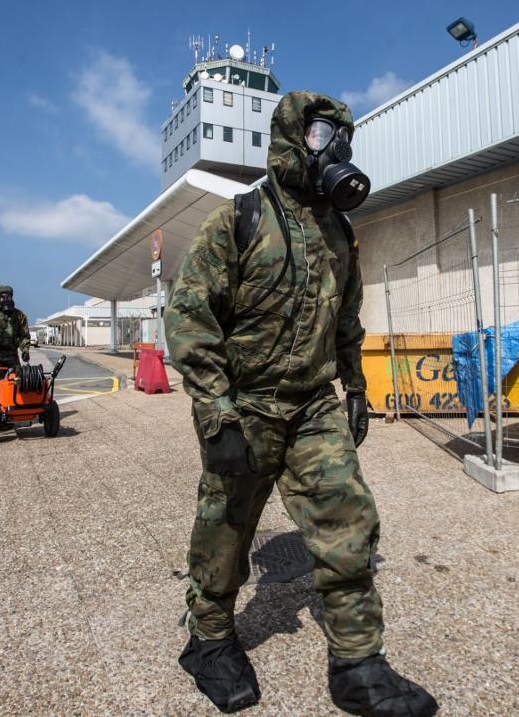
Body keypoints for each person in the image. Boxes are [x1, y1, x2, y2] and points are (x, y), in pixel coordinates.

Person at [164, 91, 437, 716]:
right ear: (291, 138)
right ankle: (207, 642)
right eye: (319, 136)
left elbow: (346, 317)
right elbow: (188, 318)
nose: (332, 149)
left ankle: (359, 664)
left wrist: (358, 387)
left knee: (348, 519)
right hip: (246, 405)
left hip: (314, 405)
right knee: (226, 528)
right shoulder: (238, 219)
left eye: (340, 138)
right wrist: (215, 412)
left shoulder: (341, 232)